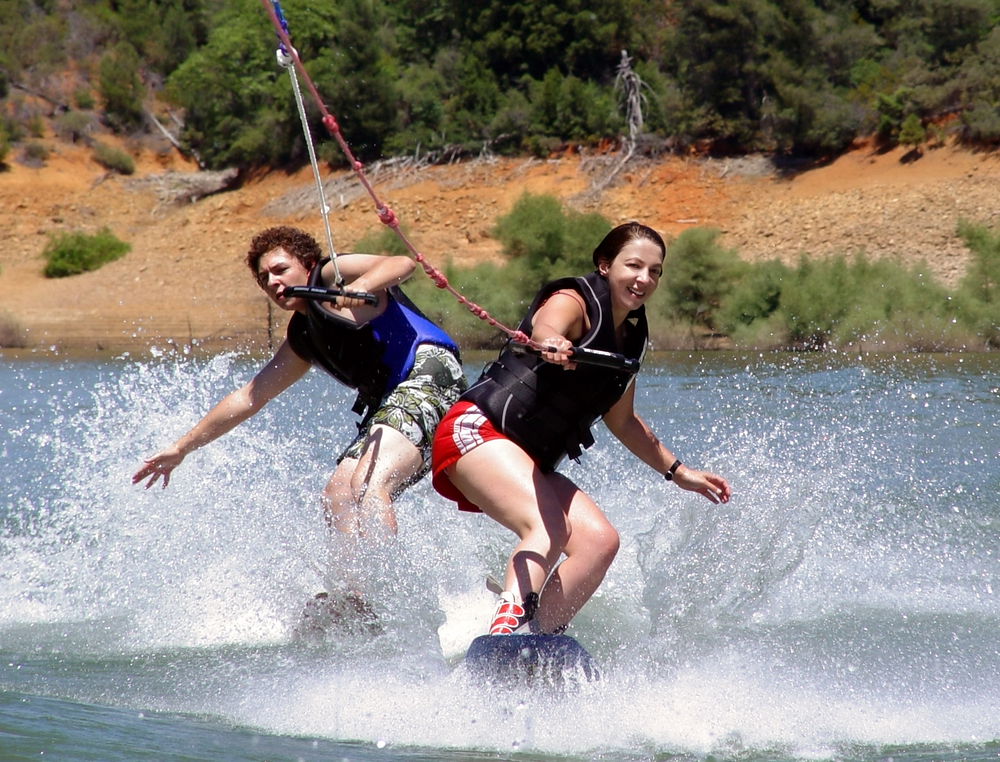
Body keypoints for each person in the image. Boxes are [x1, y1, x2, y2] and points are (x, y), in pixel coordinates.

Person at [431, 221, 731, 637]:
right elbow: (546, 325)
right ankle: (505, 632)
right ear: (605, 265)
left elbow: (622, 419)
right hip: (476, 430)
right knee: (548, 526)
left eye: (655, 271)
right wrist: (552, 341)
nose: (644, 278)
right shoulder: (573, 300)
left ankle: (539, 635)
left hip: (525, 457)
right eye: (634, 265)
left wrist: (680, 472)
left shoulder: (633, 339)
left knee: (599, 542)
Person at [133, 224, 467, 542]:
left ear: (306, 265)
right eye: (265, 279)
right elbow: (250, 396)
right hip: (391, 405)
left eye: (280, 270)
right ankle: (357, 598)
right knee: (337, 494)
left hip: (430, 375)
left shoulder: (329, 273)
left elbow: (401, 263)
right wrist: (182, 447)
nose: (273, 282)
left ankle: (390, 590)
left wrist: (362, 286)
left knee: (367, 483)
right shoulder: (302, 338)